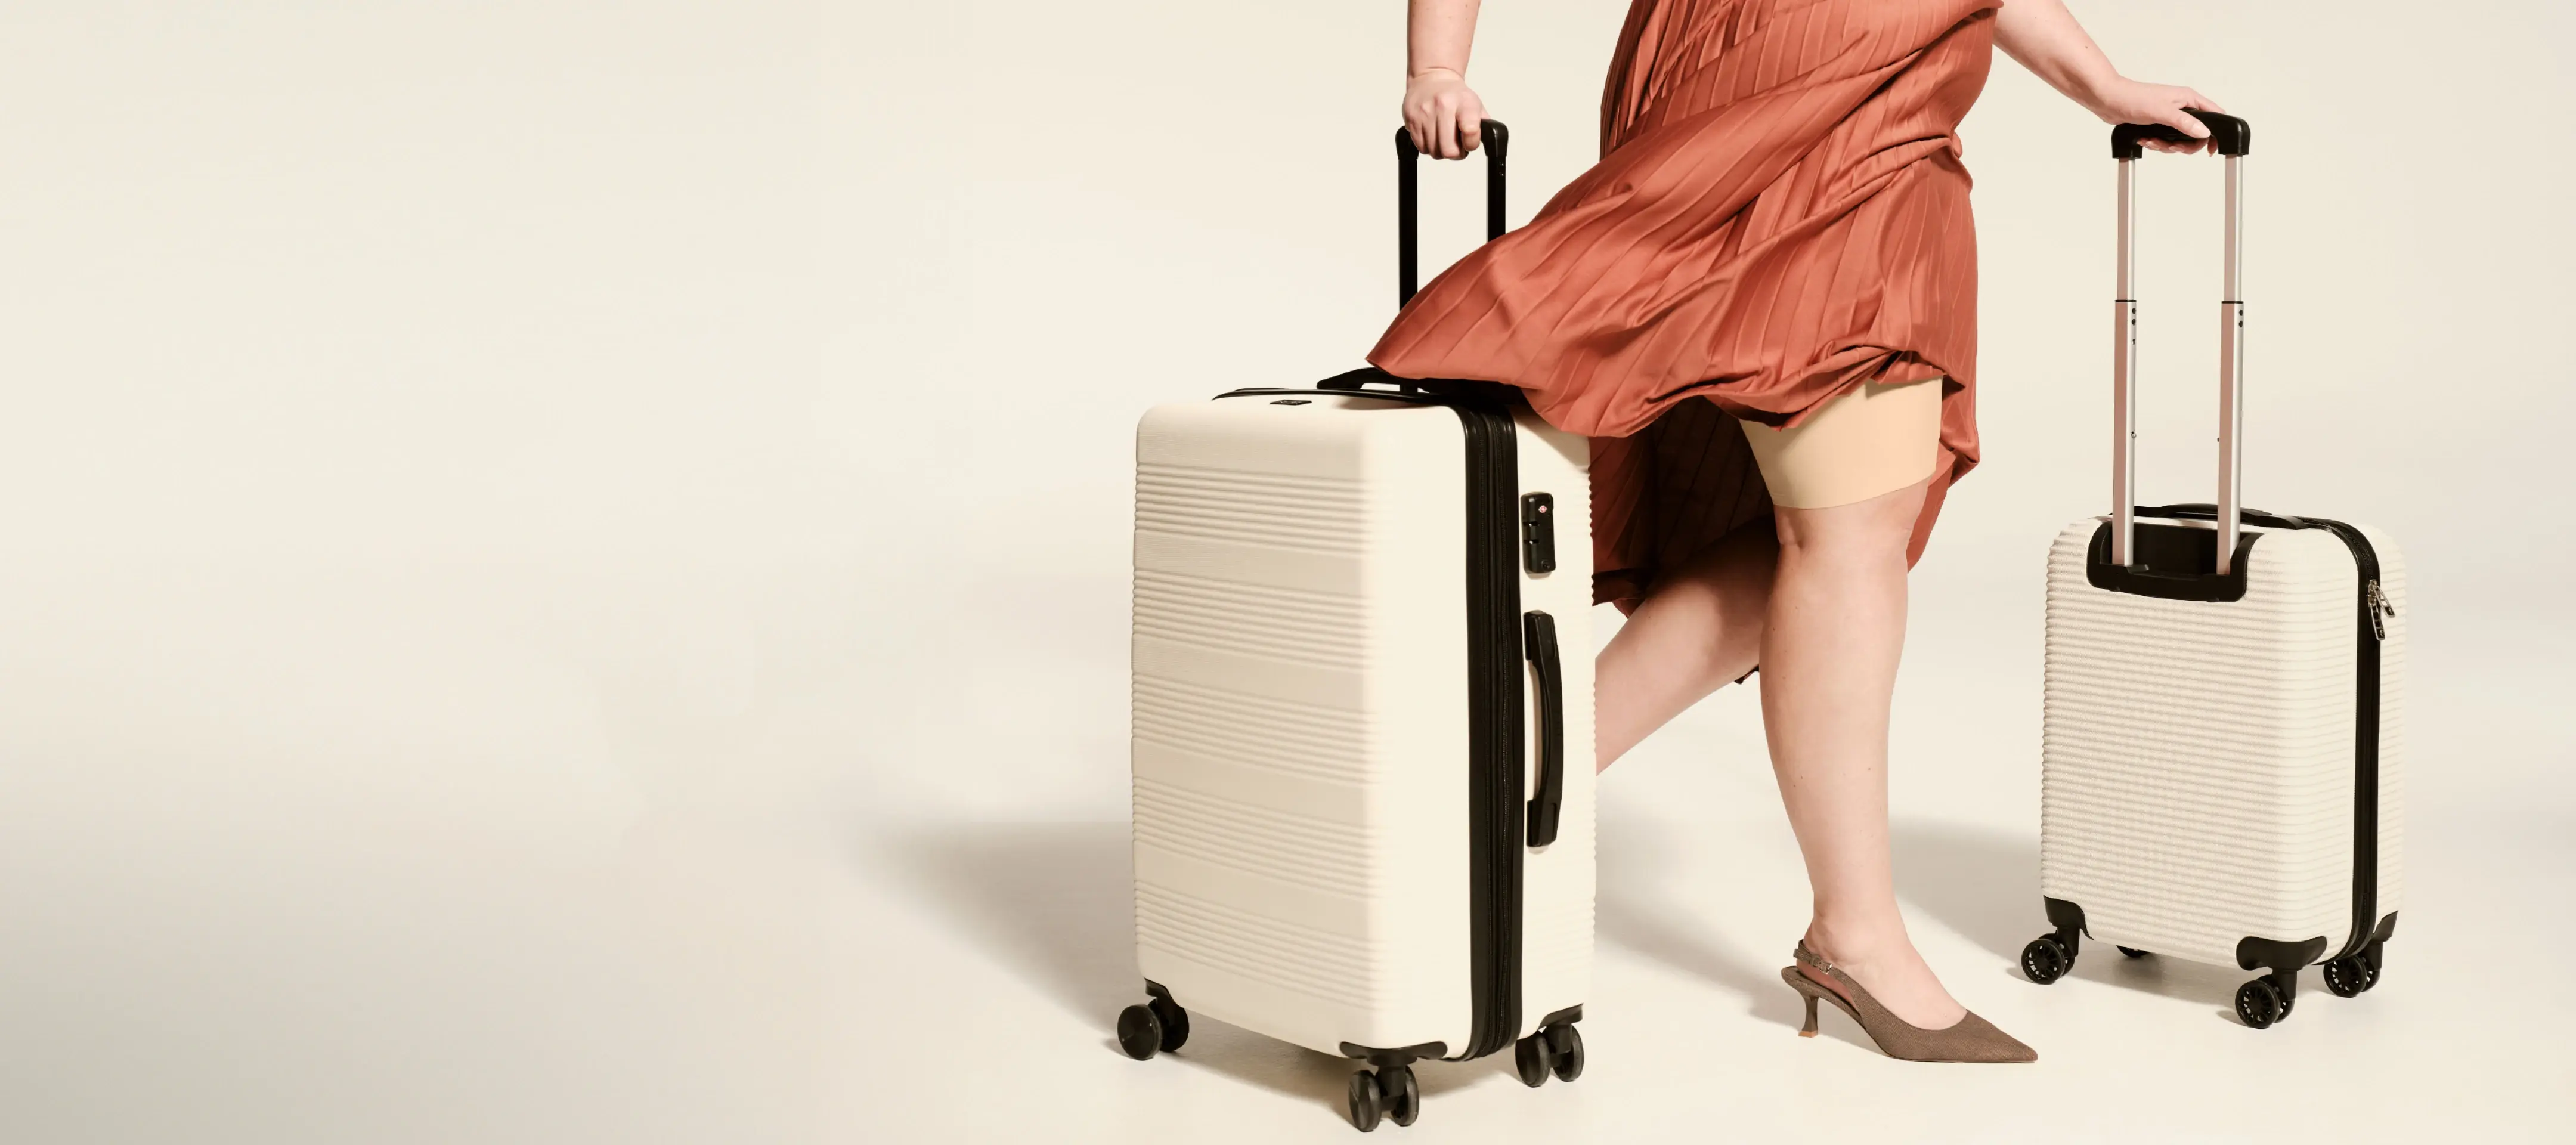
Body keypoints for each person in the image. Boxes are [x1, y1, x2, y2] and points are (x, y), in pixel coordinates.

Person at [1373, 0, 2223, 1063]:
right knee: (1845, 535)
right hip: (1767, 77)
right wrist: (1436, 65)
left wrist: (2100, 84)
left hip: (1897, 99)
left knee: (1841, 528)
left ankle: (1502, 781)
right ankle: (1852, 934)